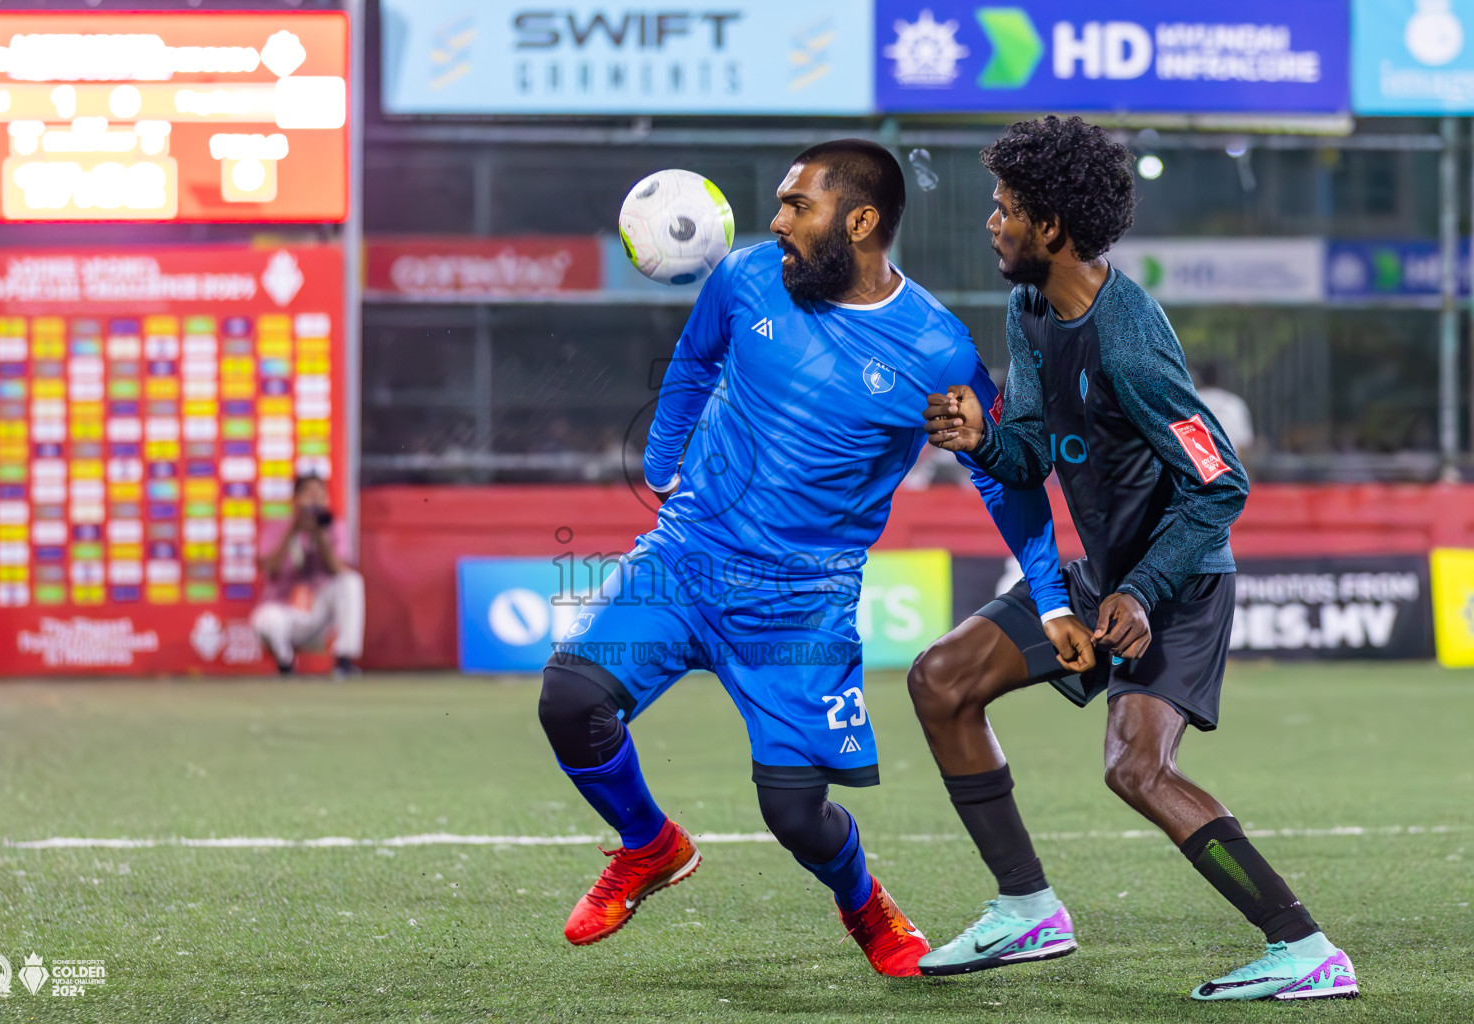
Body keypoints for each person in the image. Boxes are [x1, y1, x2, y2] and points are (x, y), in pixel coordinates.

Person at [537, 139, 1085, 976]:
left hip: (800, 603)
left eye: (799, 206)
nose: (776, 220)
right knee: (571, 697)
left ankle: (862, 901)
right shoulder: (745, 278)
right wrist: (663, 465)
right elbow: (691, 364)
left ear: (860, 222)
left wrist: (1049, 597)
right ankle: (648, 846)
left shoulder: (935, 351)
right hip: (686, 559)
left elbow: (1004, 481)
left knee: (796, 814)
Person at [910, 116, 1357, 1001]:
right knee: (941, 679)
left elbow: (1220, 484)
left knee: (1135, 767)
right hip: (1111, 577)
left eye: (1004, 211)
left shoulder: (1131, 342)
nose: (990, 224)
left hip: (1182, 580)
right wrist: (982, 438)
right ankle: (1026, 907)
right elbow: (1032, 449)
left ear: (1052, 228)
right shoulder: (1030, 306)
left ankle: (1304, 947)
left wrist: (1148, 591)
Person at [251, 473, 364, 679]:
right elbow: (270, 567)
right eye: (309, 495)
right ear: (295, 498)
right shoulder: (279, 526)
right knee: (265, 620)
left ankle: (344, 659)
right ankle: (285, 663)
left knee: (351, 581)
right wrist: (293, 529)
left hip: (317, 610)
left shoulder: (333, 526)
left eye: (320, 496)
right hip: (285, 609)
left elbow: (337, 570)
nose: (315, 501)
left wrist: (320, 536)